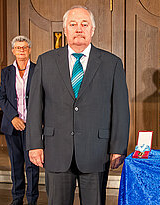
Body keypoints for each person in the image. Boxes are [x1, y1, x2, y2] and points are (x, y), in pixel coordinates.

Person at [26, 5, 130, 205]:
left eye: (84, 24)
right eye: (73, 24)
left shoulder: (111, 63)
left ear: (92, 30)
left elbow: (120, 110)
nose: (79, 29)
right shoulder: (46, 61)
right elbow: (34, 108)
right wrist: (34, 145)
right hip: (56, 150)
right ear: (65, 30)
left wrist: (118, 147)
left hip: (96, 152)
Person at [0, 36, 39, 205]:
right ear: (13, 51)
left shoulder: (38, 70)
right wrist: (13, 117)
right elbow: (2, 98)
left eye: (24, 47)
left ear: (29, 50)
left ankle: (32, 199)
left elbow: (44, 98)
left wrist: (36, 121)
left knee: (32, 166)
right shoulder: (6, 72)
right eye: (18, 47)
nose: (21, 50)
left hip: (32, 127)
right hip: (12, 126)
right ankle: (17, 198)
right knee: (16, 165)